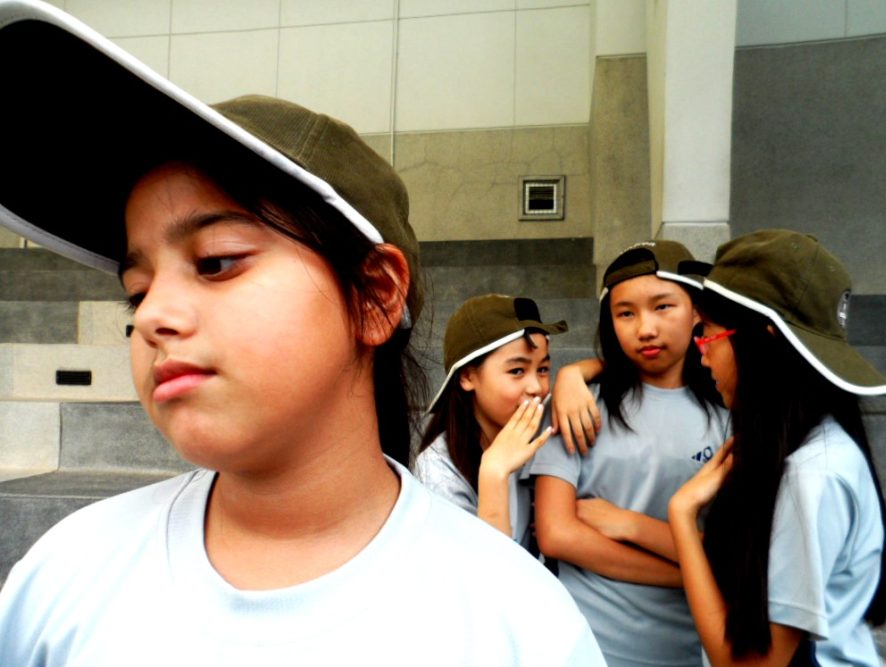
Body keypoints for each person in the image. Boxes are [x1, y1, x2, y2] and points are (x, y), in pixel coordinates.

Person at [0, 3, 605, 664]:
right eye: (137, 290)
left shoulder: (517, 621)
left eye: (216, 262)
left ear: (373, 297)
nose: (150, 317)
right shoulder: (63, 577)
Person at [668, 230, 886, 667]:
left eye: (707, 335)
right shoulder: (806, 446)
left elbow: (751, 665)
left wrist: (681, 514)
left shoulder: (812, 477)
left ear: (762, 340)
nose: (701, 356)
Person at [531, 240, 729, 667]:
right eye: (626, 313)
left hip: (689, 648)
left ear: (696, 310)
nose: (645, 329)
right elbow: (557, 534)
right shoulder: (579, 405)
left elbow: (731, 555)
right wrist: (688, 572)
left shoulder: (727, 413)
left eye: (663, 307)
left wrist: (627, 525)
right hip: (587, 647)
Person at [414, 294, 567, 548]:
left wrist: (576, 374)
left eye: (543, 369)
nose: (536, 388)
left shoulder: (545, 421)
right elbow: (485, 581)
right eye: (517, 371)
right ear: (467, 377)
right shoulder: (438, 472)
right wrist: (494, 473)